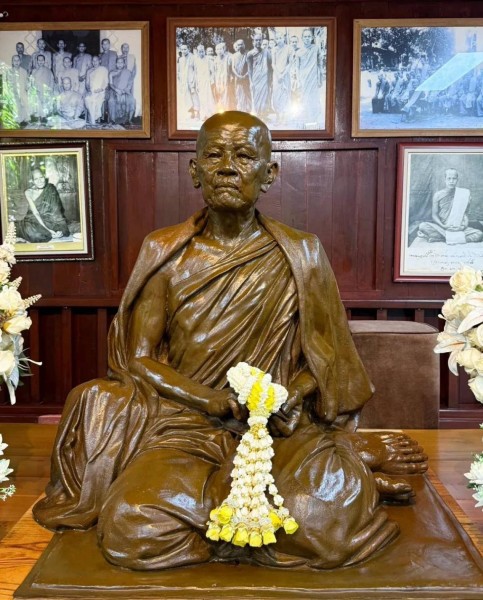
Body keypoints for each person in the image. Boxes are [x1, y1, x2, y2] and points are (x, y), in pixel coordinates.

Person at [33, 111, 426, 572]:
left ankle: (293, 492)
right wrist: (210, 399)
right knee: (129, 528)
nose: (227, 167)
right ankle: (256, 516)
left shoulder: (301, 252)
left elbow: (329, 359)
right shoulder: (166, 252)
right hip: (187, 426)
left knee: (321, 524)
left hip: (278, 429)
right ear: (195, 170)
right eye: (214, 155)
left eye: (243, 155)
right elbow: (138, 359)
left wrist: (290, 395)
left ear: (269, 173)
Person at [418, 168, 483, 244]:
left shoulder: (464, 194)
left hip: (458, 227)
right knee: (422, 226)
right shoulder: (438, 195)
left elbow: (465, 214)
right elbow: (434, 215)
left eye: (454, 178)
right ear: (445, 180)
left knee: (479, 234)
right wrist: (443, 226)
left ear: (457, 180)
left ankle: (440, 238)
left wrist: (463, 227)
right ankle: (453, 238)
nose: (451, 181)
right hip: (442, 227)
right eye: (449, 178)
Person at [15, 168, 70, 243]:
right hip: (34, 220)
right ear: (32, 181)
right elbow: (36, 213)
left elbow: (56, 212)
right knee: (35, 235)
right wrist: (48, 230)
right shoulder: (28, 192)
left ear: (44, 177)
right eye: (36, 179)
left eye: (41, 177)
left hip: (49, 220)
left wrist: (60, 229)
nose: (39, 181)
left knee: (62, 230)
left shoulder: (51, 189)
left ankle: (53, 232)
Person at [295, 28, 325, 125]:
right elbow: (297, 67)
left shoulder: (316, 48)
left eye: (309, 36)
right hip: (303, 79)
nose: (307, 38)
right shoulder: (298, 52)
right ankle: (307, 117)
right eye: (305, 36)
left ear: (312, 38)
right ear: (302, 38)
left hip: (313, 78)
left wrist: (320, 77)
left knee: (314, 97)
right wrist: (298, 80)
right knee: (305, 98)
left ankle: (314, 118)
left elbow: (320, 64)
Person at [247, 32, 272, 118]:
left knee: (265, 97)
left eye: (259, 40)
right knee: (256, 97)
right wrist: (251, 81)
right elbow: (249, 69)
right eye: (256, 40)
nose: (258, 42)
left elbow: (270, 66)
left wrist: (270, 79)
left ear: (262, 41)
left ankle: (263, 116)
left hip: (264, 79)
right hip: (256, 78)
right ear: (253, 41)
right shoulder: (250, 54)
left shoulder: (266, 52)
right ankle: (258, 116)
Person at [107, 57, 136, 125]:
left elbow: (129, 84)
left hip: (125, 91)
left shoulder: (128, 72)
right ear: (116, 64)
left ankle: (128, 119)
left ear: (124, 64)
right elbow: (111, 84)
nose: (120, 64)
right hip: (114, 91)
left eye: (121, 62)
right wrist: (117, 90)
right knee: (111, 101)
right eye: (118, 62)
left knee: (131, 100)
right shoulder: (112, 73)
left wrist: (124, 91)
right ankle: (113, 120)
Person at [271, 32, 292, 123]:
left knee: (285, 94)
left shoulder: (289, 48)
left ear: (283, 38)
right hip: (276, 75)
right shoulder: (274, 49)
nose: (279, 40)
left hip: (285, 75)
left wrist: (283, 75)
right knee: (276, 94)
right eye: (277, 38)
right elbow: (273, 63)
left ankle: (284, 116)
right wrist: (278, 74)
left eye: (280, 38)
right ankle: (278, 116)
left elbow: (290, 63)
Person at [4, 55, 29, 127]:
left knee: (24, 105)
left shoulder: (24, 71)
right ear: (12, 62)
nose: (16, 62)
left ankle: (24, 120)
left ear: (20, 61)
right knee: (16, 106)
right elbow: (8, 84)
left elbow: (26, 82)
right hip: (14, 93)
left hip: (22, 91)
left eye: (18, 60)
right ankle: (18, 120)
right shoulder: (9, 71)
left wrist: (27, 90)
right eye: (14, 60)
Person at [177, 43, 200, 120]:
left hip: (192, 80)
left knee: (194, 96)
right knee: (187, 97)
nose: (183, 51)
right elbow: (179, 71)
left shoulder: (192, 57)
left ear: (188, 49)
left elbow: (195, 69)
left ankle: (197, 113)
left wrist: (195, 81)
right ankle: (191, 113)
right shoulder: (180, 59)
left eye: (185, 49)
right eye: (182, 49)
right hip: (184, 81)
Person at [30, 54, 55, 123]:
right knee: (38, 104)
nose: (40, 61)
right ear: (37, 61)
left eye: (42, 60)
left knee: (45, 104)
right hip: (37, 90)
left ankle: (44, 117)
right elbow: (31, 81)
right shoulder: (34, 71)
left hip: (45, 91)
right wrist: (33, 89)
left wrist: (50, 89)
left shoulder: (48, 71)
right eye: (39, 60)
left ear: (44, 61)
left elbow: (52, 80)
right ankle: (38, 117)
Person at [193, 44, 216, 121]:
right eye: (199, 51)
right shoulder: (196, 61)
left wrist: (211, 81)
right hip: (200, 82)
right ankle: (203, 115)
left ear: (204, 51)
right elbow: (195, 73)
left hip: (207, 82)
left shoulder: (208, 60)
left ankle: (210, 115)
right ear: (197, 52)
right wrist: (196, 84)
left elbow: (212, 72)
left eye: (202, 51)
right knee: (201, 99)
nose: (201, 53)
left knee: (209, 98)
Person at [84, 55, 108, 125]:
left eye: (96, 60)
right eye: (93, 61)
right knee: (87, 99)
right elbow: (87, 84)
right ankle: (93, 121)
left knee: (94, 101)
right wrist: (89, 90)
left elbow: (106, 82)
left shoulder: (103, 69)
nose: (95, 62)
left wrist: (101, 89)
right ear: (92, 62)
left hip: (101, 92)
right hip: (92, 91)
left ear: (100, 61)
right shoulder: (89, 71)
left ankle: (92, 121)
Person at [231, 39, 251, 113]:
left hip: (246, 78)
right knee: (239, 94)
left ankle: (248, 110)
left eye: (241, 44)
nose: (240, 46)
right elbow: (233, 68)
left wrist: (245, 75)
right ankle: (240, 110)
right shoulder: (234, 56)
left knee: (247, 94)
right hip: (238, 79)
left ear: (244, 45)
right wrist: (238, 76)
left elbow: (250, 66)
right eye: (238, 45)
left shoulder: (248, 54)